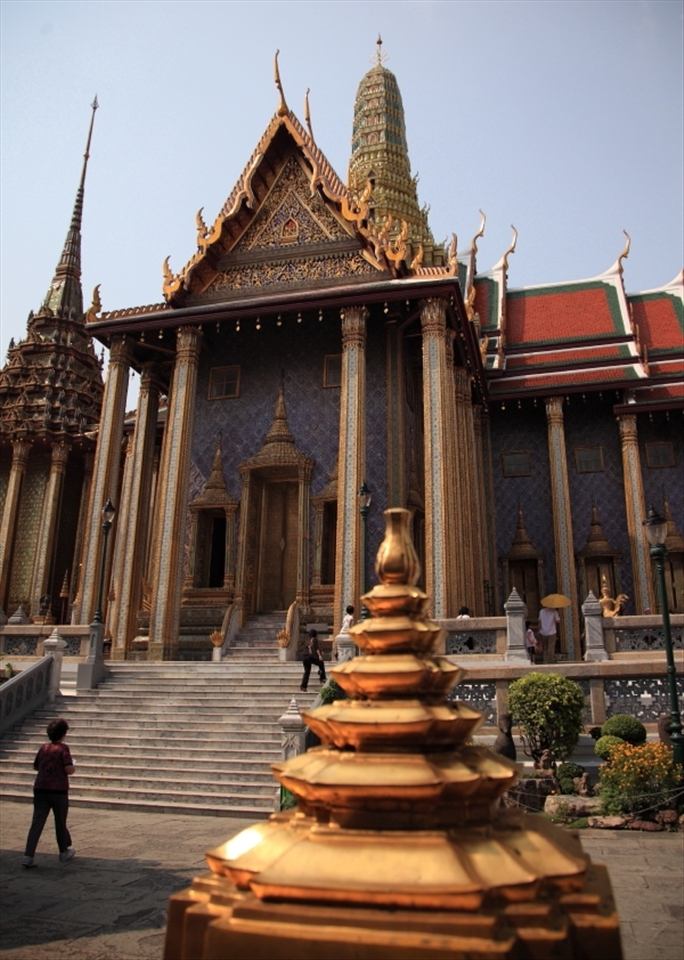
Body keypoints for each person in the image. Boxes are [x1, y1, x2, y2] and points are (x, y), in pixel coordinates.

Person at [22, 718, 76, 867]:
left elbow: (36, 766)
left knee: (37, 823)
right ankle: (63, 852)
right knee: (60, 821)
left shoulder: (43, 748)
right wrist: (73, 767)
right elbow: (68, 769)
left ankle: (28, 855)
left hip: (40, 788)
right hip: (58, 790)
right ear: (63, 733)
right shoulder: (63, 748)